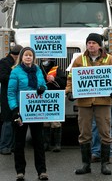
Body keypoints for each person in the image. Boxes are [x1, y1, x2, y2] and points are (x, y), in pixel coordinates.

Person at [65, 33, 112, 175]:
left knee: (105, 132)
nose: (90, 45)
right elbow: (71, 78)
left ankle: (105, 164)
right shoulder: (79, 60)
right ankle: (86, 165)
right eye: (89, 43)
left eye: (93, 43)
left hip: (103, 101)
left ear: (99, 45)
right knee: (84, 133)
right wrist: (69, 91)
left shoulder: (109, 59)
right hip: (84, 103)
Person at [7, 47, 48, 181]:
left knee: (39, 142)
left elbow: (43, 85)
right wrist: (14, 110)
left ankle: (42, 171)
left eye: (30, 55)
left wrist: (43, 88)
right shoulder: (16, 71)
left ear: (33, 57)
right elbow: (11, 92)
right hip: (21, 112)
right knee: (19, 143)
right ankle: (20, 172)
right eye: (26, 55)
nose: (28, 57)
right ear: (21, 57)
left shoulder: (37, 70)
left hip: (36, 111)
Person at [39, 58, 66, 152]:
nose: (44, 58)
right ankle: (46, 144)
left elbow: (64, 83)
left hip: (55, 99)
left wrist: (55, 79)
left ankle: (57, 144)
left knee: (55, 122)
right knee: (45, 122)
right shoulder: (38, 69)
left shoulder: (57, 69)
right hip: (42, 99)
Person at [0, 45, 23, 155]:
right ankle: (5, 146)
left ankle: (10, 146)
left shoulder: (5, 62)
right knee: (8, 121)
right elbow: (3, 77)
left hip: (10, 95)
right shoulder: (5, 63)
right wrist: (15, 77)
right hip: (8, 95)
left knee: (12, 120)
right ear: (17, 55)